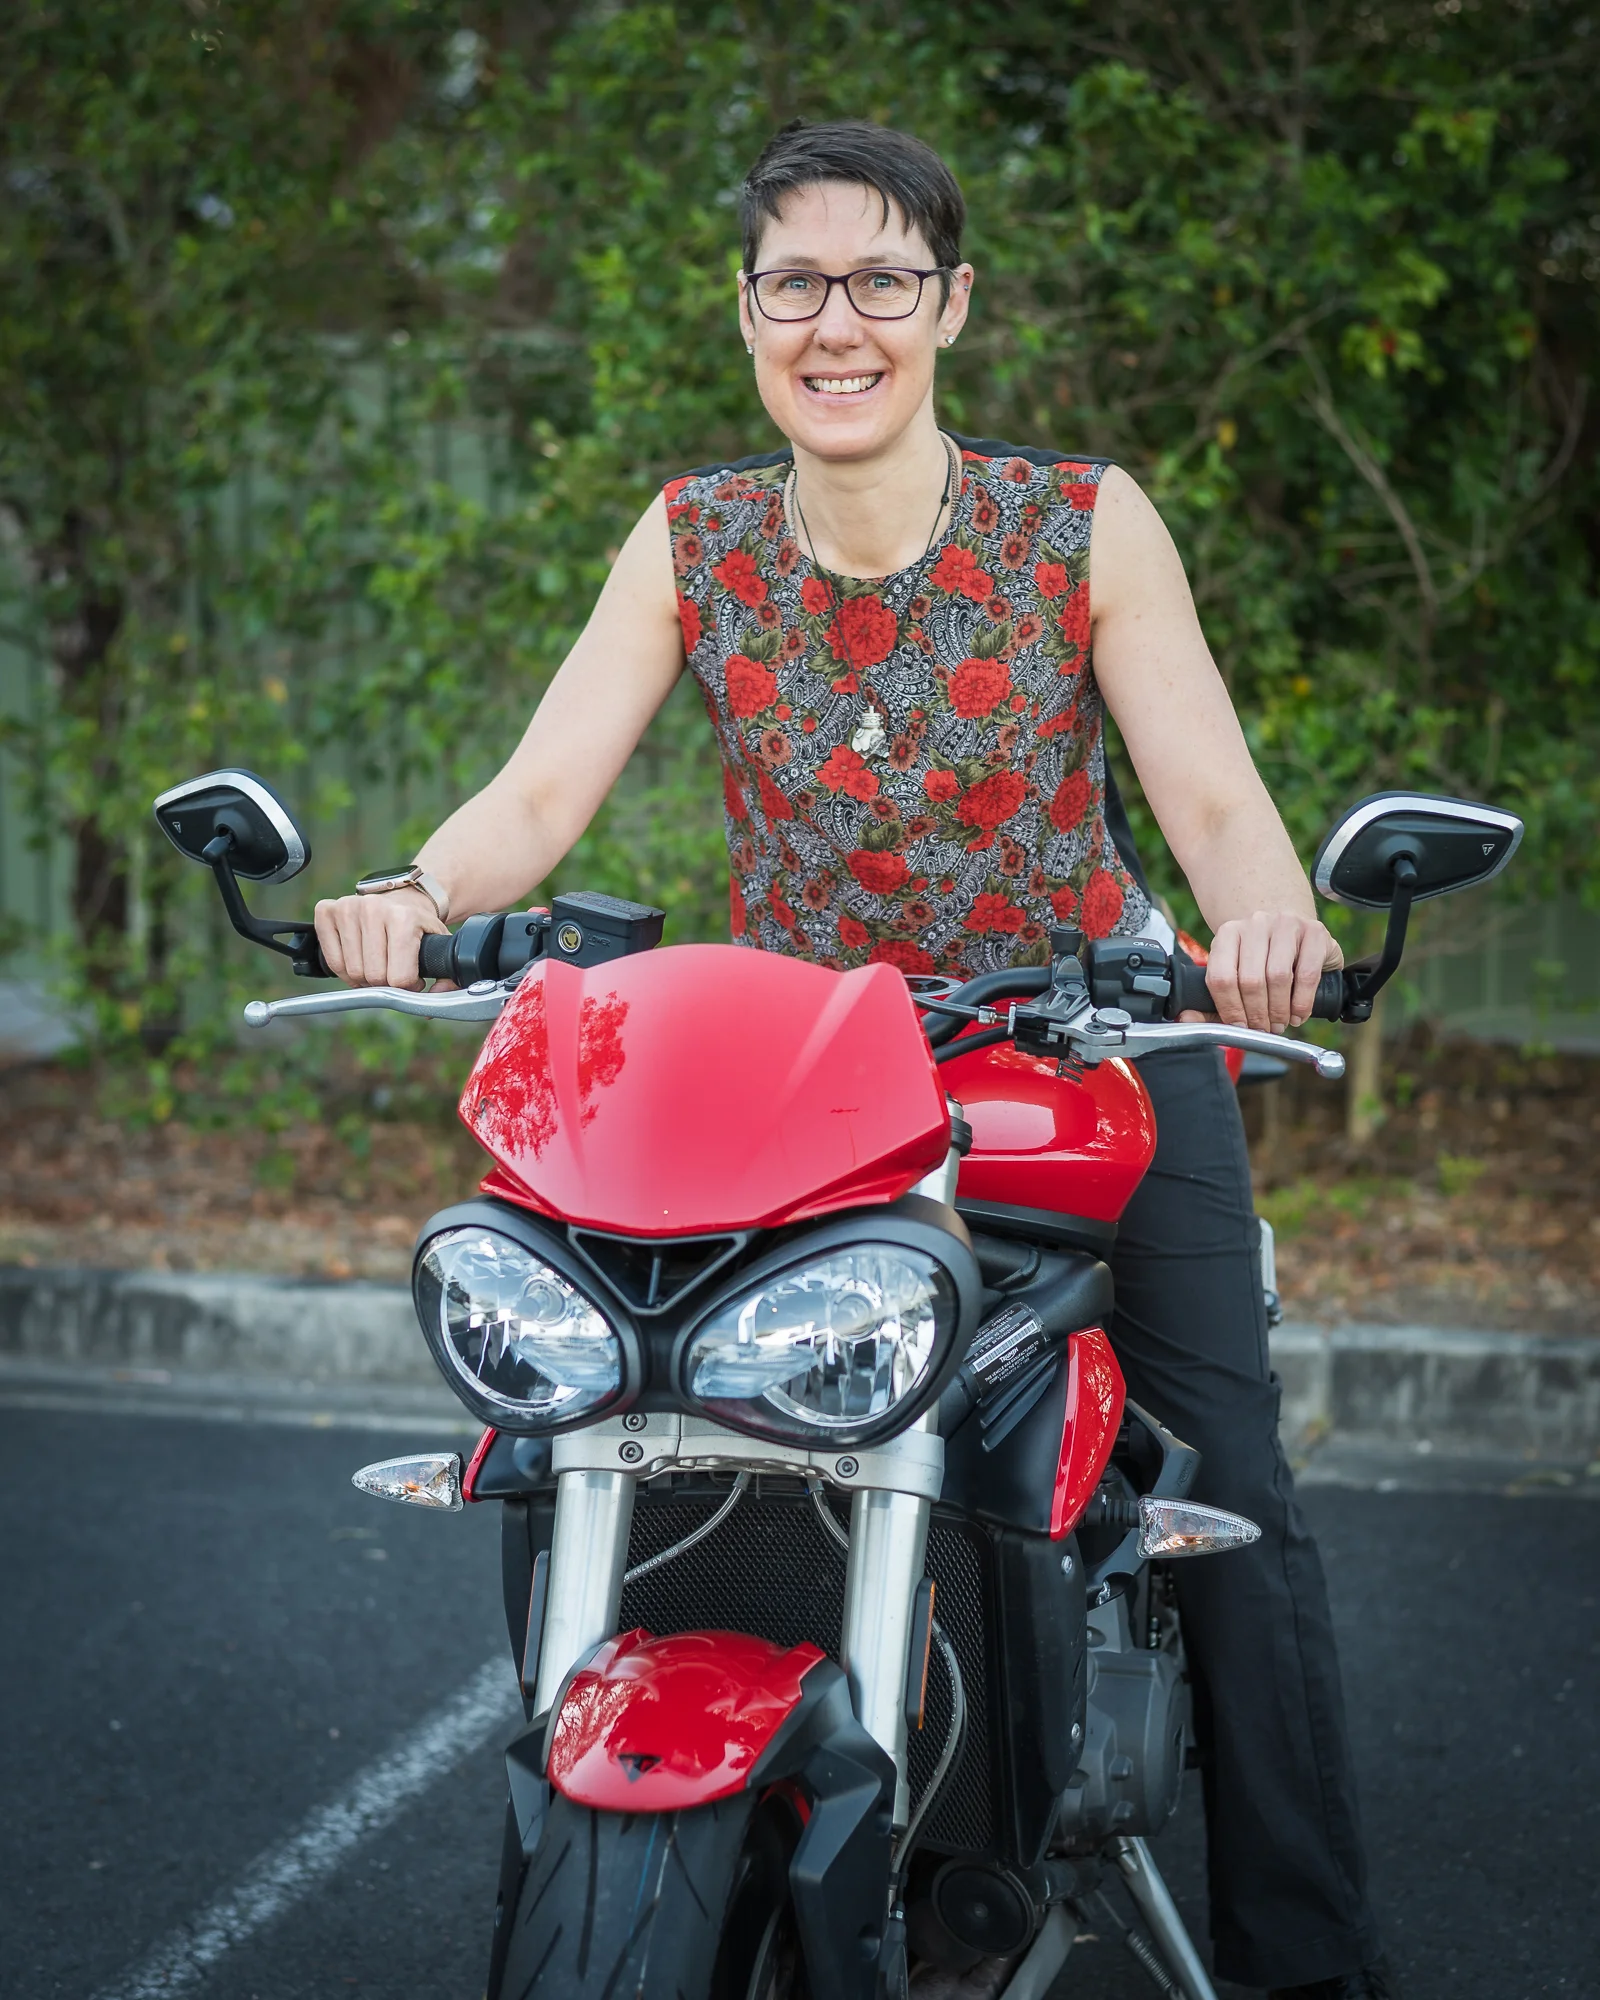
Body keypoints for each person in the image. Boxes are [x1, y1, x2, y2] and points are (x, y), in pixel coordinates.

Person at [314, 120, 1392, 1999]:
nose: (840, 323)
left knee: (1230, 1493)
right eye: (796, 284)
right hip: (813, 1088)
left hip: (1093, 1044)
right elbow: (538, 797)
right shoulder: (696, 536)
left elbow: (1216, 806)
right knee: (581, 1427)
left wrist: (1268, 925)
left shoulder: (1081, 521)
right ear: (748, 317)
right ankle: (604, 1849)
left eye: (882, 280)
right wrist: (413, 890)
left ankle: (1307, 1964)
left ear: (950, 305)